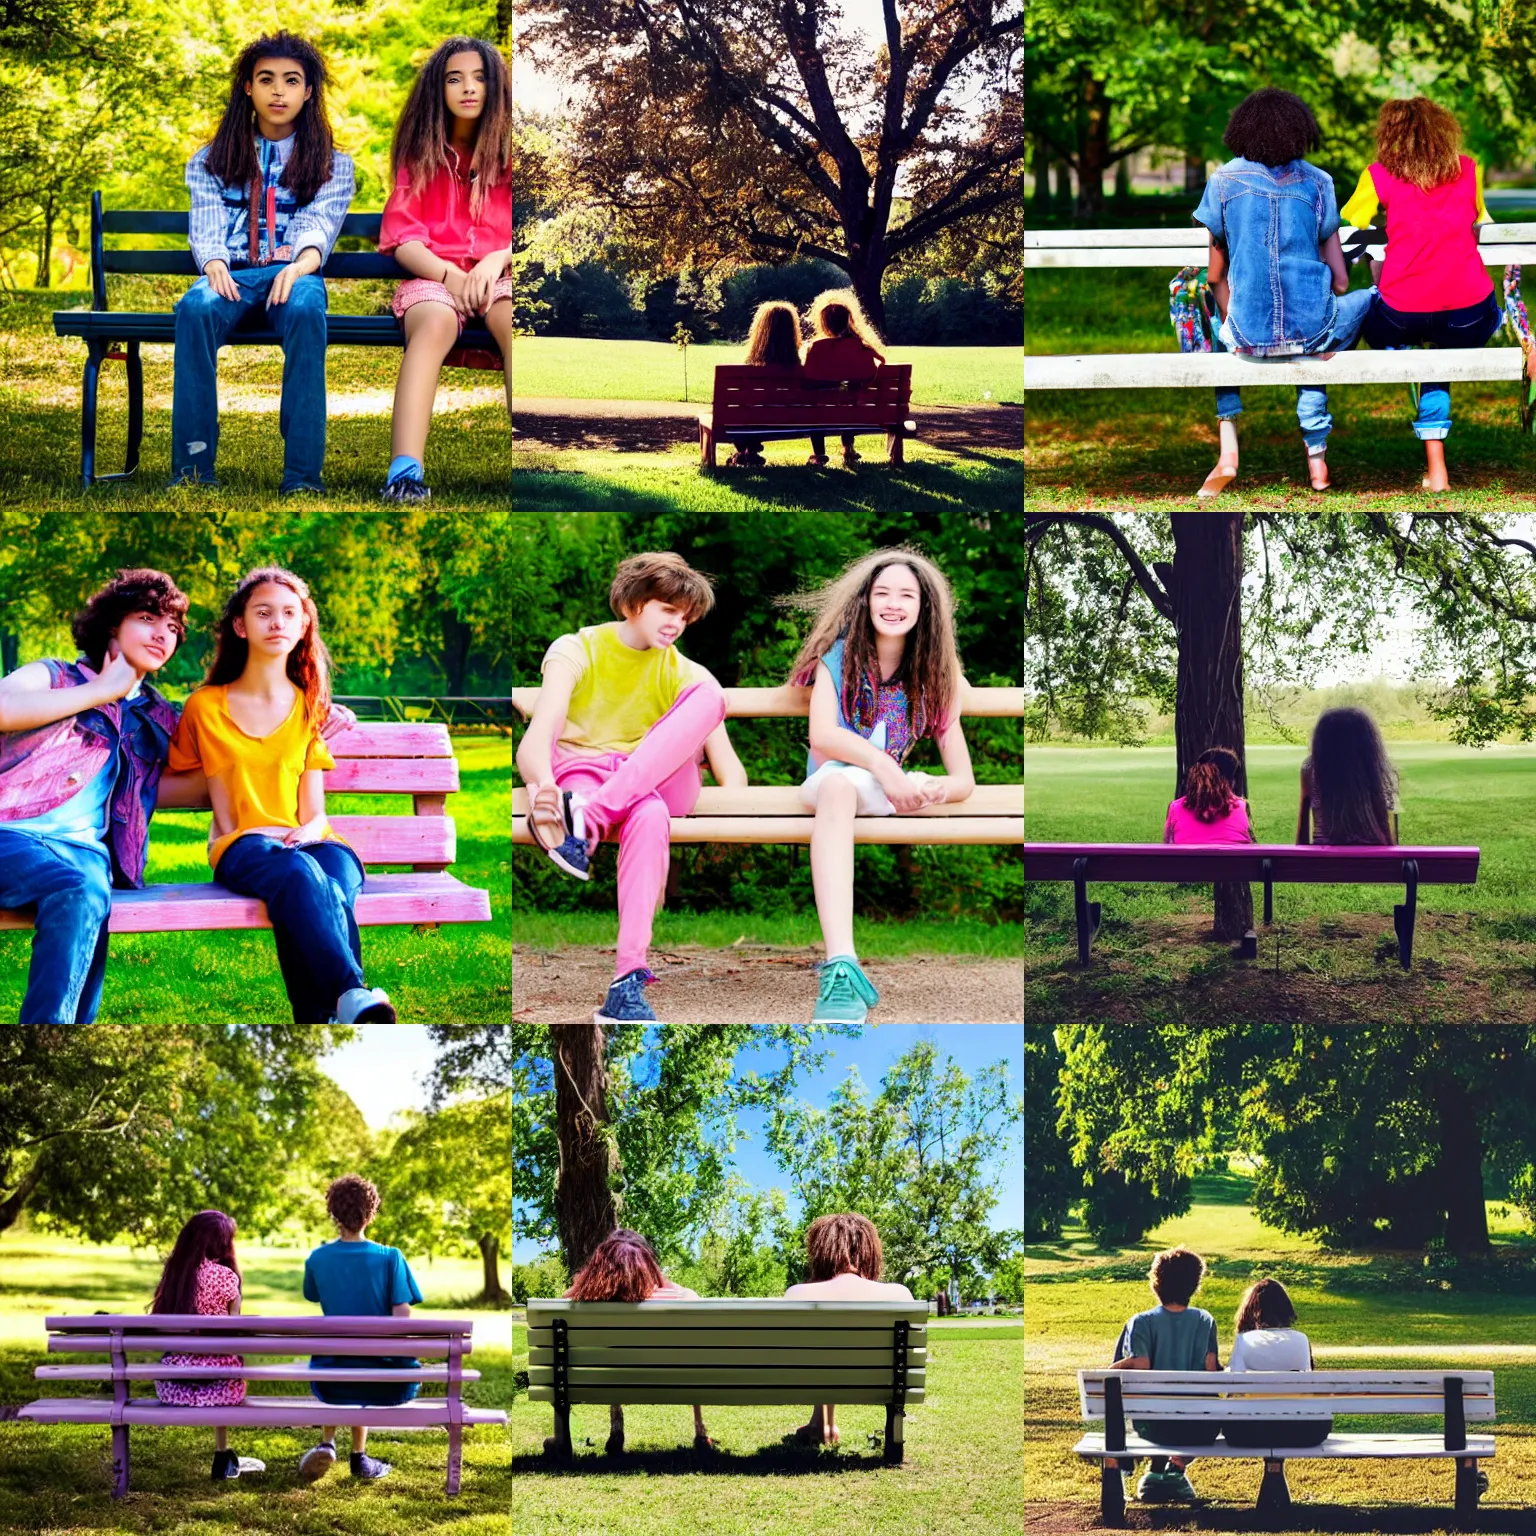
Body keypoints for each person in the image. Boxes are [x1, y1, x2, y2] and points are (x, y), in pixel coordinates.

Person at [516, 552, 747, 1024]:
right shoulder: (575, 649)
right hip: (587, 775)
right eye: (668, 610)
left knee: (708, 698)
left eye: (685, 617)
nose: (677, 624)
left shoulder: (686, 674)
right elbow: (537, 741)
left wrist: (729, 811)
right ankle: (626, 987)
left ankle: (591, 819)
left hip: (644, 786)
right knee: (648, 814)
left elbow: (733, 775)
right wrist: (543, 786)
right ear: (634, 604)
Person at [165, 567, 393, 1023]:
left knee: (320, 881)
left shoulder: (310, 704)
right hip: (244, 845)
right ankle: (352, 991)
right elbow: (176, 783)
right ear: (240, 625)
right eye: (264, 613)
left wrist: (308, 832)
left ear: (304, 624)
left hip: (315, 841)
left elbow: (314, 809)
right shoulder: (204, 707)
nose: (277, 623)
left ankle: (326, 1016)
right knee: (300, 876)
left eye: (290, 613)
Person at [783, 548, 975, 1023]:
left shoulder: (934, 676)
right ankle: (841, 965)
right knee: (836, 787)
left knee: (852, 788)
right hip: (827, 785)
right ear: (865, 600)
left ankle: (843, 969)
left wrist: (929, 790)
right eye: (882, 592)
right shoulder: (837, 658)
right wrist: (887, 768)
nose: (893, 603)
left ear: (924, 607)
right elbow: (824, 738)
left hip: (883, 797)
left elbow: (963, 780)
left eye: (907, 594)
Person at [172, 32, 355, 493]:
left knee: (307, 309)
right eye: (266, 79)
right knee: (194, 308)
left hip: (293, 273)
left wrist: (297, 267)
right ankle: (194, 469)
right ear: (248, 88)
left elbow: (320, 226)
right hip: (230, 273)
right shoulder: (209, 161)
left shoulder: (334, 165)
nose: (279, 91)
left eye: (291, 81)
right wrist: (212, 262)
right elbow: (207, 222)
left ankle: (302, 477)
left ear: (308, 91)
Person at [1192, 88, 1375, 496]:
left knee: (1211, 317)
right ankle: (1317, 463)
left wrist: (1233, 327)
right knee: (1366, 302)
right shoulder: (1319, 183)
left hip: (1246, 337)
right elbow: (1342, 282)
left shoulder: (1222, 181)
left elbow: (1215, 277)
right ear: (1299, 132)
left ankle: (1228, 454)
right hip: (1314, 331)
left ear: (1242, 130)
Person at [377, 36, 513, 503]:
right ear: (438, 89)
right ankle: (404, 474)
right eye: (455, 79)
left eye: (479, 78)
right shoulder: (421, 156)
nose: (468, 88)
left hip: (501, 278)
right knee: (433, 321)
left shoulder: (515, 156)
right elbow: (403, 240)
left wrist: (496, 261)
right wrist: (451, 278)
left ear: (496, 88)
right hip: (433, 279)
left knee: (514, 319)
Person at [1343, 98, 1503, 493]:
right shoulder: (1468, 169)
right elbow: (1480, 220)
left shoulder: (1378, 175)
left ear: (1390, 134)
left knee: (1383, 309)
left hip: (1402, 317)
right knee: (1460, 330)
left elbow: (1349, 224)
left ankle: (1436, 465)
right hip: (1468, 316)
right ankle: (1437, 468)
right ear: (1441, 129)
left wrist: (1382, 237)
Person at [298, 1174, 424, 1483]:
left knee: (342, 1361)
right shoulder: (390, 1257)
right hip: (387, 1381)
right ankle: (359, 1456)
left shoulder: (318, 1259)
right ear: (371, 1213)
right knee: (368, 1360)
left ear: (333, 1214)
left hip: (331, 1379)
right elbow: (402, 1315)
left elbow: (312, 1294)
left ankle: (328, 1442)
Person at [555, 1228, 711, 1455]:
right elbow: (698, 1321)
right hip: (675, 1378)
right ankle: (700, 1430)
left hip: (615, 1377)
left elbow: (567, 1296)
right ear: (646, 1262)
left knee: (615, 1356)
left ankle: (616, 1428)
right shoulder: (676, 1295)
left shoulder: (589, 1302)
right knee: (691, 1355)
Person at [151, 1209, 265, 1481]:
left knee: (208, 1363)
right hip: (221, 1389)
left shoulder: (176, 1275)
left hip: (173, 1387)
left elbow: (159, 1322)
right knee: (224, 1365)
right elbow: (232, 1332)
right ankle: (222, 1455)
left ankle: (225, 1456)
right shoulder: (226, 1278)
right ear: (222, 1243)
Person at [784, 1213, 913, 1447]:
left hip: (811, 1377)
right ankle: (821, 1423)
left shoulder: (797, 1295)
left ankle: (820, 1424)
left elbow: (812, 1357)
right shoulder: (899, 1295)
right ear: (870, 1251)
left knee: (823, 1350)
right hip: (882, 1383)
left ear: (822, 1252)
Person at [1106, 1246, 1220, 1505]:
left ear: (1156, 1282)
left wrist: (1107, 1372)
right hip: (1199, 1429)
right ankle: (1172, 1473)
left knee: (1156, 1409)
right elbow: (1211, 1371)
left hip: (1152, 1427)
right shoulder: (1205, 1320)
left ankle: (1158, 1476)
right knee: (1184, 1411)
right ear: (1194, 1284)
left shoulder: (1141, 1322)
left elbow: (1142, 1363)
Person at [1222, 1278, 1331, 1448]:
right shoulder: (1301, 1340)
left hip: (1248, 1432)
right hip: (1304, 1432)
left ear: (1251, 1310)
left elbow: (1233, 1389)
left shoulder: (1244, 1340)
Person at [801, 289, 886, 466]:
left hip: (820, 414)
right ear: (849, 321)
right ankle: (848, 447)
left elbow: (808, 378)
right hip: (854, 413)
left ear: (824, 324)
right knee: (852, 398)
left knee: (816, 404)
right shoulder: (861, 348)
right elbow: (870, 374)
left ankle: (819, 454)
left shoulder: (816, 348)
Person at [1296, 706, 1398, 845]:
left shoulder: (1311, 769)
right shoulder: (1381, 771)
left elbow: (1301, 839)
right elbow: (1391, 839)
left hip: (1324, 862)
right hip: (1373, 861)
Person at [727, 300, 804, 467]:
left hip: (754, 419)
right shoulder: (797, 367)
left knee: (747, 412)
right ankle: (749, 452)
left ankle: (743, 451)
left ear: (760, 330)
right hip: (787, 419)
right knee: (759, 411)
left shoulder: (748, 368)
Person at [1163, 746, 1254, 844]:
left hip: (1188, 859)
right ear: (1231, 782)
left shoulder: (1175, 808)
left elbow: (1168, 844)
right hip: (1234, 859)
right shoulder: (1241, 807)